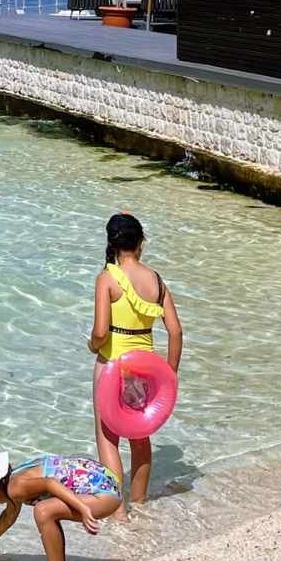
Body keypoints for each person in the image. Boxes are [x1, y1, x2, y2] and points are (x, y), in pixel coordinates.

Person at [88, 213, 182, 511]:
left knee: (108, 437)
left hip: (113, 365)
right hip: (144, 368)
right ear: (140, 243)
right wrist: (169, 374)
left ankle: (117, 511)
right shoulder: (155, 280)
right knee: (140, 437)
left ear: (111, 243)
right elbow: (176, 331)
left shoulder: (107, 278)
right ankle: (140, 503)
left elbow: (101, 332)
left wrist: (92, 344)